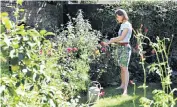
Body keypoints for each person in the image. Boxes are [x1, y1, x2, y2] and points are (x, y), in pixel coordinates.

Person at [103, 9, 132, 95]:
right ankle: (122, 85)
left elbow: (122, 37)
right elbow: (120, 38)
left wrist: (111, 40)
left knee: (125, 68)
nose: (117, 18)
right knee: (122, 67)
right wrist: (113, 41)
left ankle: (125, 90)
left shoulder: (127, 25)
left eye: (117, 16)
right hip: (120, 47)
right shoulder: (123, 25)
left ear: (122, 15)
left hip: (125, 48)